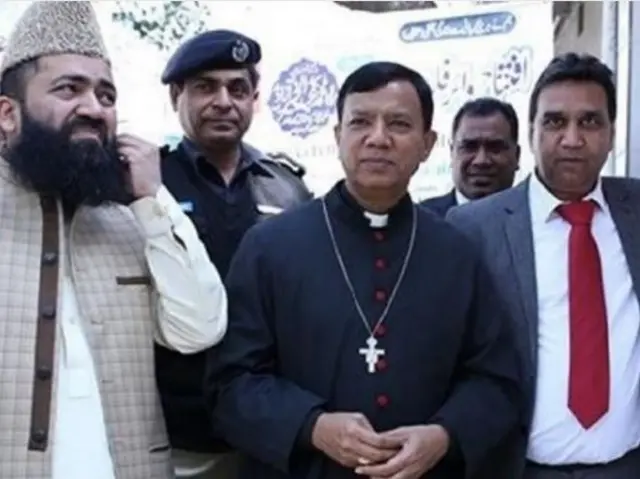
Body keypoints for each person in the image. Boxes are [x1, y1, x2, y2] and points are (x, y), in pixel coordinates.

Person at [206, 61, 522, 479]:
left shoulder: (457, 253)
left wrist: (444, 436)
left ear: (428, 144)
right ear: (338, 136)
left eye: (398, 124)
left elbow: (496, 380)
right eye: (360, 122)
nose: (378, 138)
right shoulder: (269, 246)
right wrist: (311, 426)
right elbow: (230, 385)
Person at [0, 2, 227, 478]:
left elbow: (199, 328)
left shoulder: (131, 220)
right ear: (7, 113)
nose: (94, 108)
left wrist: (153, 200)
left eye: (106, 95)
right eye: (69, 89)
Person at [447, 52, 640, 478]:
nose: (572, 139)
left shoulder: (636, 213)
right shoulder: (475, 229)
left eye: (590, 122)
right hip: (518, 468)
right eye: (554, 122)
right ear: (531, 133)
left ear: (612, 133)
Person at [157, 29, 313, 478]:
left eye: (237, 88)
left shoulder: (287, 186)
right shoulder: (148, 183)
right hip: (178, 428)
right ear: (175, 96)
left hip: (269, 424)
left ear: (254, 101)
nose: (224, 101)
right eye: (206, 87)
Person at [421, 97, 520, 217]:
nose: (481, 160)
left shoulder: (536, 220)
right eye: (469, 147)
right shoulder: (418, 221)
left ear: (517, 156)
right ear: (452, 153)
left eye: (495, 148)